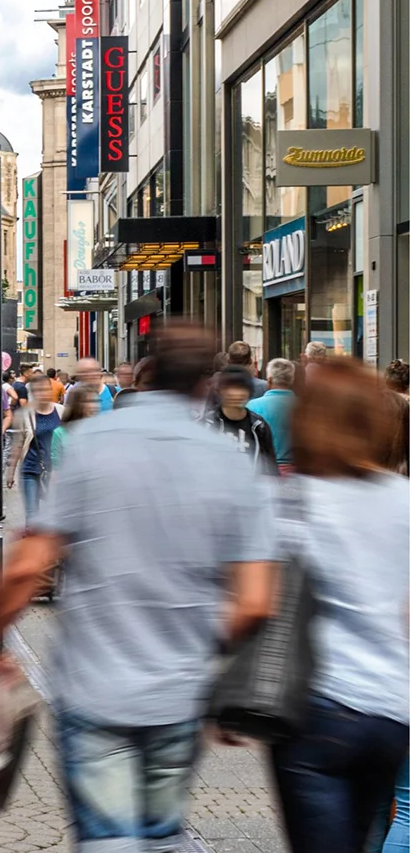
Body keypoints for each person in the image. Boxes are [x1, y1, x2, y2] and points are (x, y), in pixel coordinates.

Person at [0, 323, 275, 853]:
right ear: (207, 382)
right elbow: (255, 601)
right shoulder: (230, 462)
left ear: (146, 372)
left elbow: (26, 567)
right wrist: (202, 647)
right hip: (179, 694)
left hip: (95, 686)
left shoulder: (93, 445)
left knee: (109, 839)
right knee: (159, 835)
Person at [258, 358, 408, 852]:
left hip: (317, 707)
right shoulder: (403, 499)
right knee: (369, 829)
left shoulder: (296, 500)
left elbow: (258, 599)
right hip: (390, 711)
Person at [5, 373, 62, 520]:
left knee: (54, 515)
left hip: (55, 471)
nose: (43, 393)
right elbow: (18, 443)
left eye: (46, 389)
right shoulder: (26, 414)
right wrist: (10, 472)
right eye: (39, 390)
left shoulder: (62, 411)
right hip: (30, 469)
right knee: (32, 516)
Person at [202, 366, 279, 474]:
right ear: (220, 391)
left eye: (241, 388)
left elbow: (271, 468)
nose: (235, 393)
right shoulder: (207, 424)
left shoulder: (258, 427)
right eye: (229, 387)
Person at [247, 358, 297, 473]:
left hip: (264, 468)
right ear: (291, 380)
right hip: (295, 470)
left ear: (269, 380)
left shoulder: (252, 406)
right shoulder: (303, 408)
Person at [49, 384, 97, 471]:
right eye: (89, 401)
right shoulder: (60, 433)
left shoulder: (100, 430)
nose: (94, 406)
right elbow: (56, 468)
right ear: (77, 405)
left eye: (96, 401)